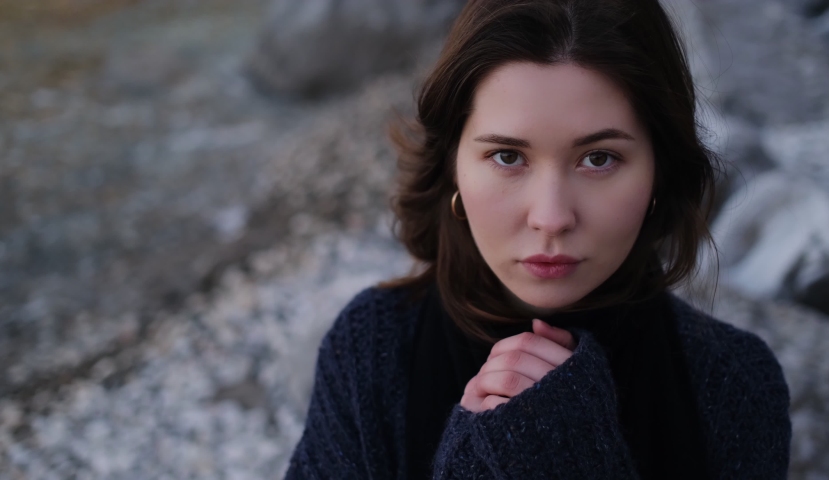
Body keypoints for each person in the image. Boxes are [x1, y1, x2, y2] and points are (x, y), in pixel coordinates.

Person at [284, 0, 792, 478]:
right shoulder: (371, 348)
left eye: (599, 158)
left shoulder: (735, 382)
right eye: (508, 156)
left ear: (660, 173)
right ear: (452, 166)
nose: (551, 218)